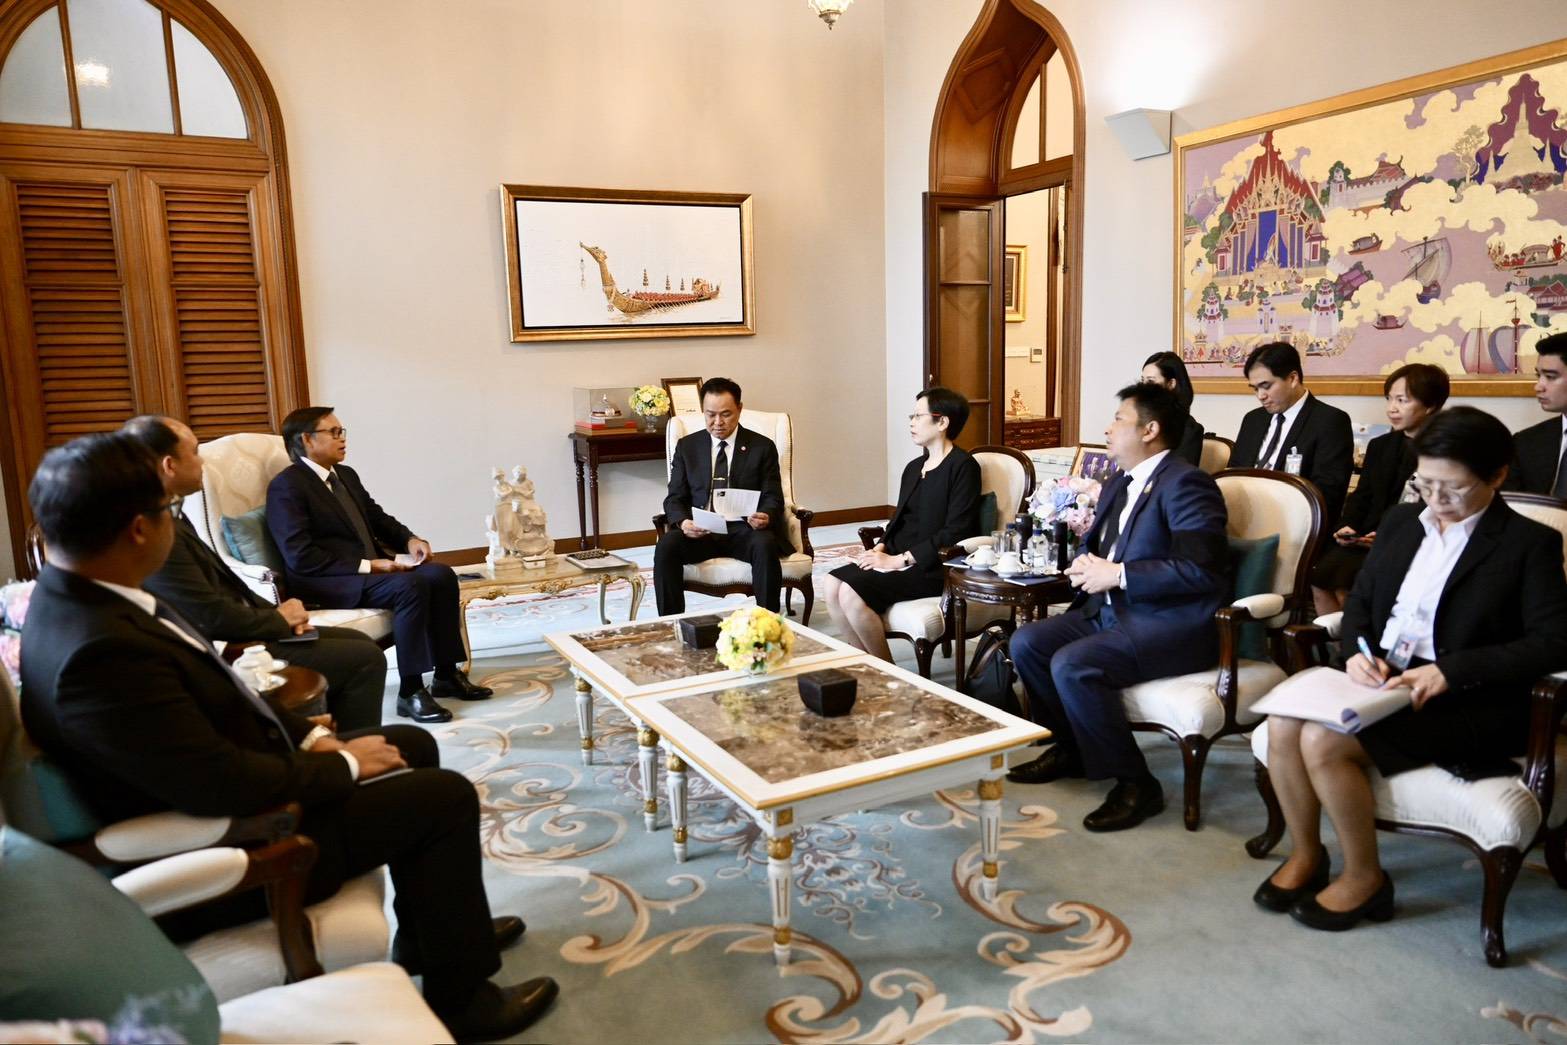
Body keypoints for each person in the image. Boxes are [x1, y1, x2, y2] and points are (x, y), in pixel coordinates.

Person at [19, 433, 557, 1040]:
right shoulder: (99, 651)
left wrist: (308, 738)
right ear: (139, 530)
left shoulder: (92, 598)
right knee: (443, 797)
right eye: (166, 510)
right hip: (224, 846)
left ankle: (431, 938)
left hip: (232, 787)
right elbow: (216, 782)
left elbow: (221, 699)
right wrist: (343, 766)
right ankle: (465, 1003)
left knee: (413, 746)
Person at [1256, 407, 1567, 931]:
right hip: (1385, 677)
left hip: (1467, 695)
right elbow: (1361, 603)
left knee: (1322, 741)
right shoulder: (1402, 523)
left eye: (1454, 488)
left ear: (1497, 476)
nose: (1437, 501)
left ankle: (1366, 877)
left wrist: (1452, 671)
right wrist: (1357, 651)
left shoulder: (1527, 543)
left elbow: (1554, 643)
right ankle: (1308, 854)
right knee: (1285, 722)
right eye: (1425, 484)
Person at [1005, 383, 1229, 832]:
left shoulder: (1187, 484)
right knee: (1028, 642)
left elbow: (1201, 570)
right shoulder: (1118, 483)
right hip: (1110, 611)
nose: (1107, 429)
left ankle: (1136, 783)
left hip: (1170, 624)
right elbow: (1096, 547)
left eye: (1118, 420)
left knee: (1074, 663)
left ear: (1150, 429)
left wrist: (1120, 575)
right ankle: (1072, 748)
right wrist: (1084, 563)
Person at [122, 415, 389, 732]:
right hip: (227, 648)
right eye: (194, 453)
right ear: (169, 466)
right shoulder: (153, 533)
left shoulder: (171, 514)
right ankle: (351, 751)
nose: (202, 462)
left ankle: (325, 739)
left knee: (357, 641)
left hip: (245, 626)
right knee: (365, 657)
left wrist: (280, 613)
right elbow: (208, 616)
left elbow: (227, 585)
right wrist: (278, 621)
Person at [265, 407, 490, 725]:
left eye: (342, 432)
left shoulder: (345, 475)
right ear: (307, 440)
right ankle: (411, 690)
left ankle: (445, 674)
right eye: (334, 432)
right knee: (410, 585)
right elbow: (300, 556)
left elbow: (377, 517)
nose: (342, 439)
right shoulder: (287, 486)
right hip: (325, 580)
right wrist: (369, 566)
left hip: (365, 570)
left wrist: (410, 540)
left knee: (440, 575)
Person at [823, 388, 981, 660]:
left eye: (918, 416)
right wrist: (881, 547)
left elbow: (957, 531)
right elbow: (899, 519)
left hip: (931, 566)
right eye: (912, 416)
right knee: (830, 583)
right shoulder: (914, 467)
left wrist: (900, 560)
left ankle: (886, 670)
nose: (911, 423)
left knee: (850, 593)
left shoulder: (963, 467)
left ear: (942, 422)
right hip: (898, 556)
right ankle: (864, 665)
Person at [1309, 364, 1448, 615]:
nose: (1392, 408)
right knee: (1321, 576)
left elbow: (1439, 509)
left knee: (1348, 584)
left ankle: (1356, 638)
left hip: (1412, 542)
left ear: (1430, 405)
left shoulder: (1445, 449)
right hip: (1366, 537)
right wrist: (1348, 526)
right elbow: (1362, 496)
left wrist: (1385, 536)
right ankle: (1335, 639)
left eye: (1402, 400)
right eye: (1389, 399)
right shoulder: (1380, 445)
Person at [654, 377, 791, 614]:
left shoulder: (762, 447)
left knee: (765, 544)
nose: (718, 422)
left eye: (726, 414)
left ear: (739, 409)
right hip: (701, 530)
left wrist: (765, 515)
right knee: (667, 546)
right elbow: (674, 497)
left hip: (744, 529)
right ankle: (671, 623)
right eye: (710, 415)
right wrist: (684, 522)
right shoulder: (687, 447)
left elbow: (773, 497)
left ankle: (768, 621)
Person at [1229, 341, 1354, 522]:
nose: (1260, 396)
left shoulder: (1330, 421)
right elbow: (1234, 474)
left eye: (1266, 386)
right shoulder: (1253, 420)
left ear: (1293, 379)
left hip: (1294, 522)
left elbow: (1328, 493)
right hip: (1244, 516)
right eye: (1255, 389)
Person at [1507, 332, 1567, 496]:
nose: (1538, 386)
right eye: (1538, 376)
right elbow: (1510, 504)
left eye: (1550, 377)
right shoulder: (1524, 442)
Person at [1141, 351, 1205, 467]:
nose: (1143, 388)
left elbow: (1180, 474)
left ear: (1171, 384)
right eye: (1142, 381)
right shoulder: (1139, 421)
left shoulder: (1189, 430)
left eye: (1150, 381)